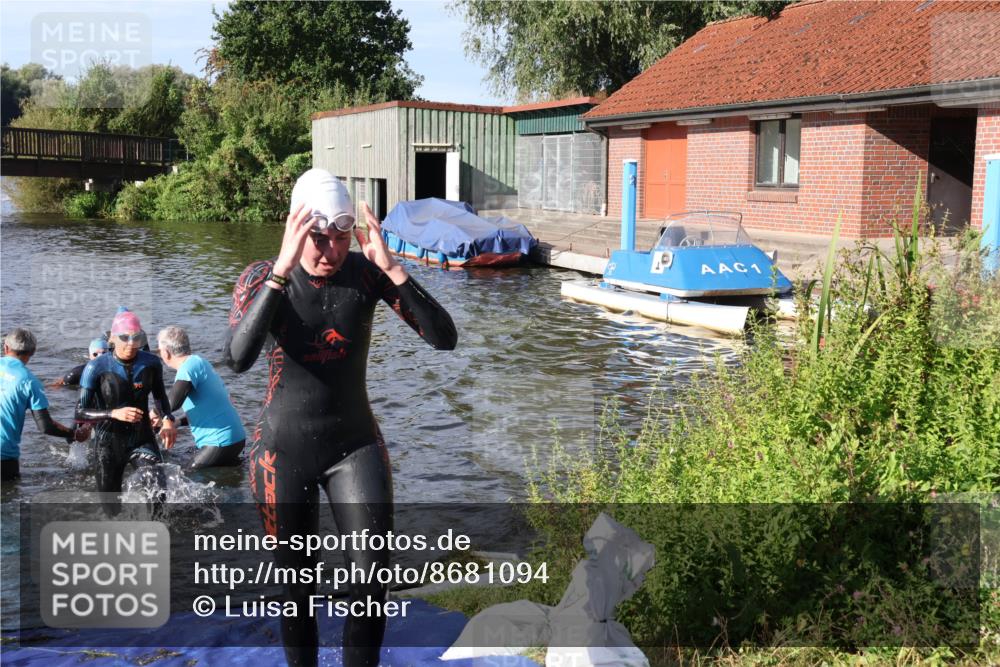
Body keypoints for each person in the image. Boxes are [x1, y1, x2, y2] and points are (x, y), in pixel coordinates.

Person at [224, 168, 457, 667]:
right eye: (316, 237)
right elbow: (237, 357)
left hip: (354, 444)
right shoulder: (261, 276)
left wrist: (393, 269)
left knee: (372, 579)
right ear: (294, 228)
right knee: (297, 586)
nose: (328, 250)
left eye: (339, 237)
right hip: (280, 451)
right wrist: (282, 271)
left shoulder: (367, 272)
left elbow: (444, 338)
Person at [75, 308, 177, 501]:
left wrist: (168, 419)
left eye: (136, 338)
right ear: (113, 339)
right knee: (110, 507)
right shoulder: (96, 367)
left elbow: (160, 396)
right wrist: (113, 413)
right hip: (108, 443)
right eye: (125, 337)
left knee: (159, 493)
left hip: (142, 438)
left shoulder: (151, 363)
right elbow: (80, 412)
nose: (131, 344)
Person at [1, 329, 90, 481]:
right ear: (33, 351)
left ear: (6, 348)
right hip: (4, 457)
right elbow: (46, 426)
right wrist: (74, 434)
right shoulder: (30, 382)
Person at [152, 326, 246, 469]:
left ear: (166, 352)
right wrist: (176, 422)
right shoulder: (198, 362)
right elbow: (205, 408)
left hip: (220, 442)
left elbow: (172, 402)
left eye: (159, 351)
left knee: (184, 478)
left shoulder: (188, 367)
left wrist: (153, 413)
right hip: (235, 439)